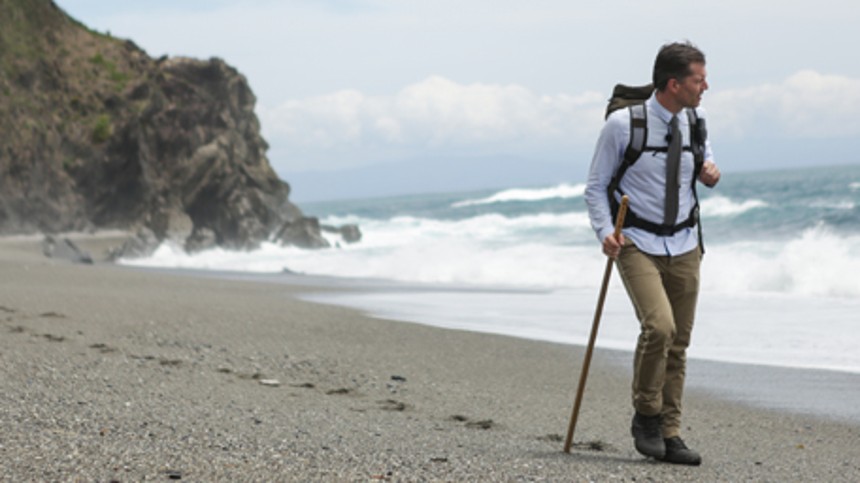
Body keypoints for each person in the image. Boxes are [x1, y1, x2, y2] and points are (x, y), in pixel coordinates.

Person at [584, 41, 721, 466]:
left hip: (685, 242)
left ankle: (670, 432)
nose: (705, 86)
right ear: (674, 83)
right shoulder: (623, 126)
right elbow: (595, 187)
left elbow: (707, 165)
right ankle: (646, 414)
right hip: (635, 242)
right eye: (699, 79)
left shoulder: (696, 121)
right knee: (659, 328)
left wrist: (710, 172)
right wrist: (605, 232)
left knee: (678, 342)